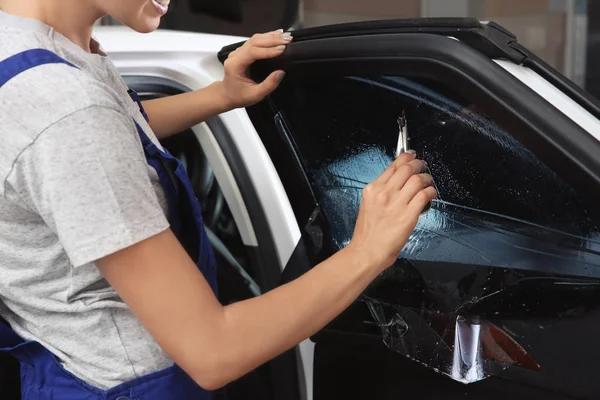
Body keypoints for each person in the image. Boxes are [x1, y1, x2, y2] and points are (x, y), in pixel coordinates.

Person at [0, 0, 437, 399]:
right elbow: (213, 350)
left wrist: (220, 96)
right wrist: (369, 250)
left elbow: (96, 137)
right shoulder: (68, 109)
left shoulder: (27, 49)